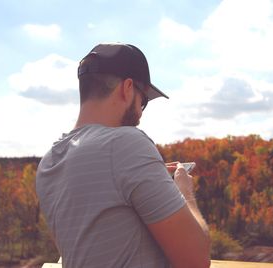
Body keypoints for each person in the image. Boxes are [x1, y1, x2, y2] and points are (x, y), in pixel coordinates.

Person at [36, 43, 211, 268]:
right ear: (127, 88)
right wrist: (185, 192)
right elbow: (196, 261)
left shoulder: (49, 162)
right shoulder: (126, 144)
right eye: (143, 101)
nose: (140, 113)